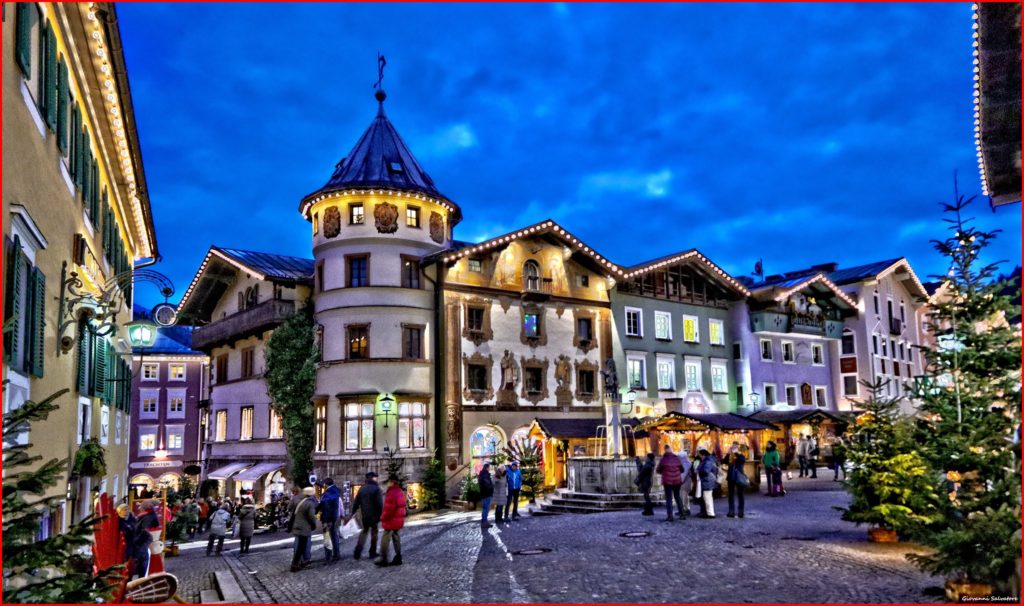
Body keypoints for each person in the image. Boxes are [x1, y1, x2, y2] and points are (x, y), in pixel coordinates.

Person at [350, 471, 384, 560]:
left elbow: (356, 503)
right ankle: (372, 552)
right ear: (373, 478)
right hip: (375, 516)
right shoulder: (376, 489)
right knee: (374, 534)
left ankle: (357, 552)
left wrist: (352, 513)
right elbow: (380, 504)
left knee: (364, 532)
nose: (377, 479)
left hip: (364, 515)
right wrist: (382, 514)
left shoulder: (362, 489)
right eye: (376, 477)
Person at [376, 474, 406, 567]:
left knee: (385, 538)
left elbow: (389, 509)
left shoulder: (391, 493)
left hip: (391, 519)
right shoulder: (399, 491)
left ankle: (383, 558)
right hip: (397, 519)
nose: (387, 483)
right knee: (396, 537)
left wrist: (382, 518)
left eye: (389, 482)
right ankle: (398, 557)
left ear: (392, 482)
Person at [289, 487, 318, 572]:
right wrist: (314, 525)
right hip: (304, 528)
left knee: (299, 546)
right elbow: (311, 517)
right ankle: (295, 565)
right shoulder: (309, 503)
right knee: (301, 547)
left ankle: (298, 563)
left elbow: (291, 509)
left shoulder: (301, 501)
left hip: (297, 525)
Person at [655, 445, 685, 521]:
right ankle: (682, 514)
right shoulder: (677, 458)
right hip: (677, 481)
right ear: (671, 450)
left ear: (665, 450)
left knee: (669, 499)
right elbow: (682, 469)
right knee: (677, 497)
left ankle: (670, 516)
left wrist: (664, 472)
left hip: (667, 481)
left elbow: (658, 470)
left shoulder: (663, 459)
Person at [317, 478, 343, 563]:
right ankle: (336, 554)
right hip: (333, 518)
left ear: (326, 484)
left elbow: (326, 507)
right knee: (334, 537)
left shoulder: (328, 493)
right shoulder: (335, 491)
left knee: (327, 538)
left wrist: (327, 521)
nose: (323, 485)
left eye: (324, 484)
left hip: (328, 519)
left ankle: (328, 557)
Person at [696, 448, 718, 518]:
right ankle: (709, 513)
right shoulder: (709, 459)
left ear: (703, 455)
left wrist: (699, 471)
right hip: (707, 480)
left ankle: (710, 514)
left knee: (707, 497)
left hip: (707, 481)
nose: (700, 457)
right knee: (707, 497)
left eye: (700, 455)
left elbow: (705, 470)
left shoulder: (708, 461)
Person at [726, 451, 747, 518]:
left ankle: (741, 512)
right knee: (731, 495)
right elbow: (723, 461)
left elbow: (743, 460)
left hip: (739, 477)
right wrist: (728, 453)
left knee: (740, 495)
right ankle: (731, 511)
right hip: (731, 477)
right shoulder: (729, 456)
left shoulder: (740, 456)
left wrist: (737, 453)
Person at [478, 463, 494, 529]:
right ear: (487, 467)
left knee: (486, 508)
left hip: (484, 494)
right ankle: (484, 522)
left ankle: (485, 522)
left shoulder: (483, 474)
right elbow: (487, 485)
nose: (490, 468)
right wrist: (492, 488)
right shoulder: (485, 475)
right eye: (489, 467)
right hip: (486, 494)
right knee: (486, 509)